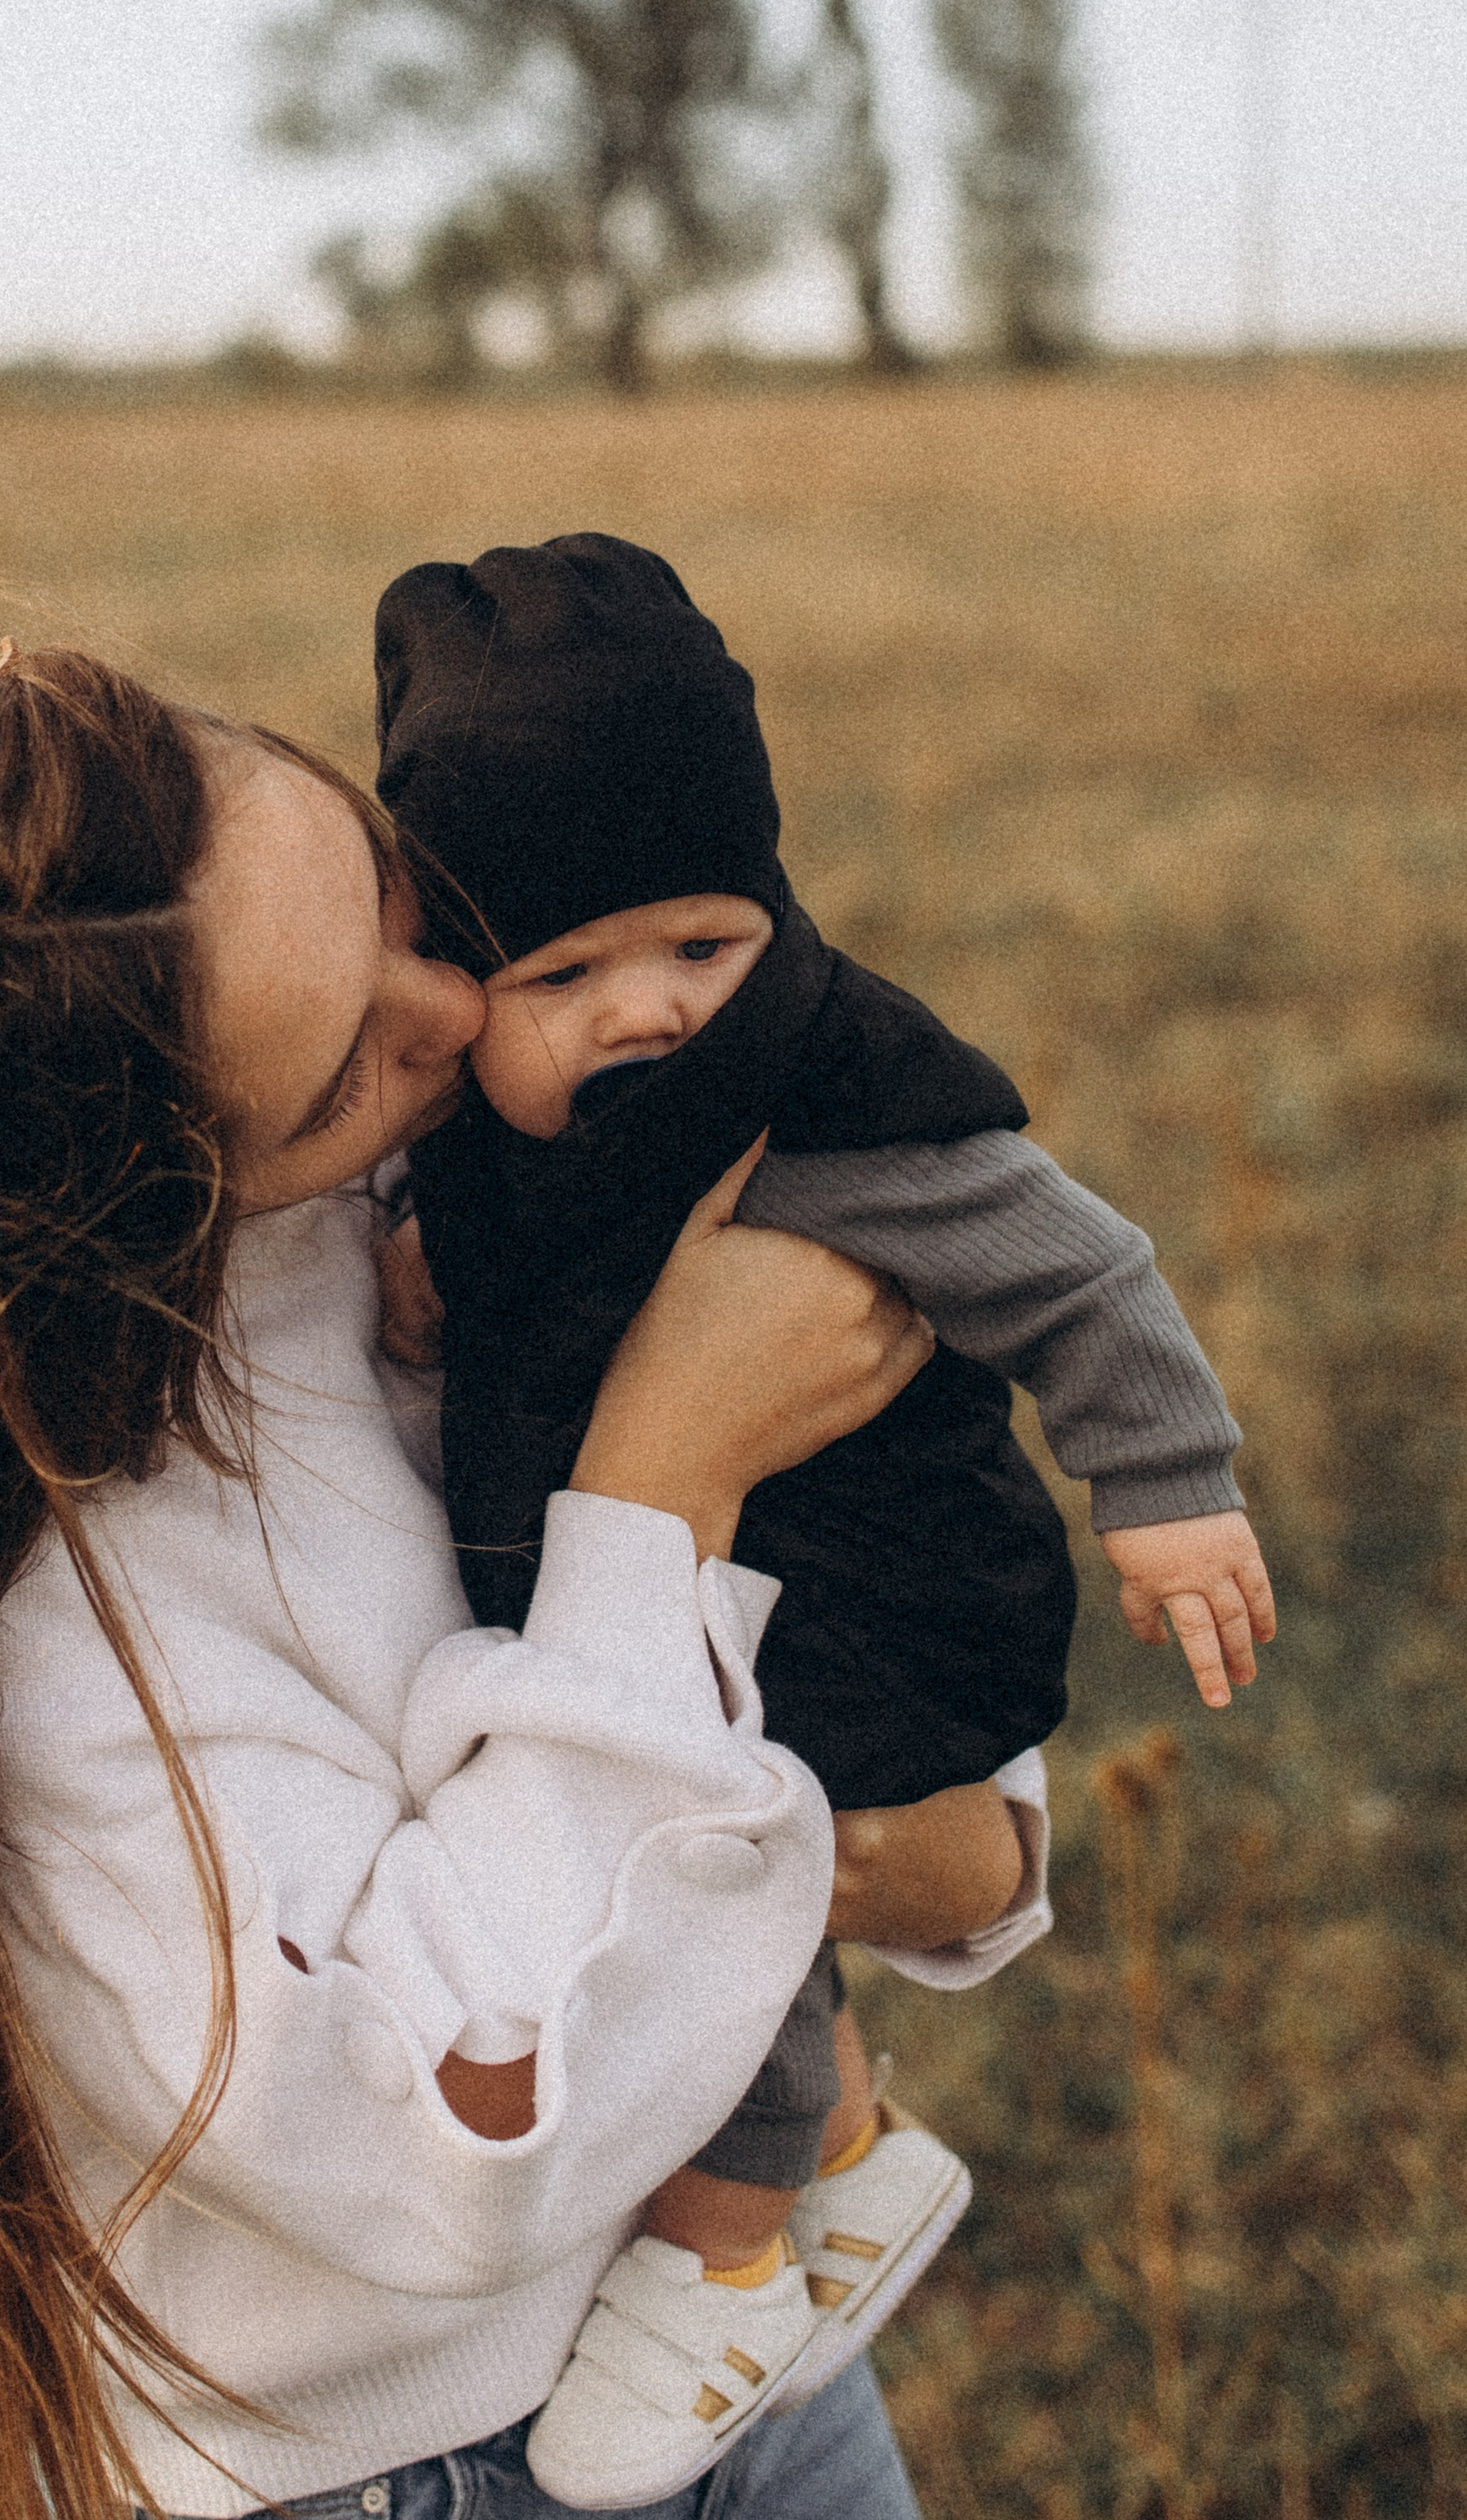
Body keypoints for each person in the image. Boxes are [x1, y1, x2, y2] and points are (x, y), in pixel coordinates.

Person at [0, 639, 1019, 2520]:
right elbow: (462, 2120)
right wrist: (662, 1485)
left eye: (390, 892)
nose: (455, 1008)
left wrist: (929, 1800)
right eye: (346, 1065)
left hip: (727, 2333)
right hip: (410, 2468)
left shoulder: (435, 1201)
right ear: (124, 1212)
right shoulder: (48, 1630)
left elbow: (898, 1723)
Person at [371, 535, 1275, 2505]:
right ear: (457, 992)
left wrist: (1168, 1487)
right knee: (666, 1790)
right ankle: (859, 2152)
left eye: (701, 946)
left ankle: (722, 2251)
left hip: (881, 1600)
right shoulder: (469, 1141)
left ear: (770, 909)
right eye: (566, 974)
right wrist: (429, 1258)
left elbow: (1081, 1271)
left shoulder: (839, 1114)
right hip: (694, 1581)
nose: (649, 1016)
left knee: (702, 1844)